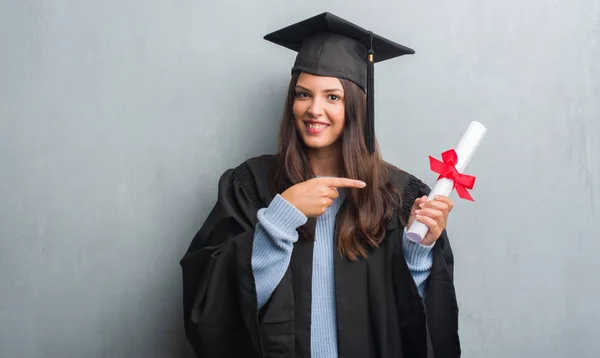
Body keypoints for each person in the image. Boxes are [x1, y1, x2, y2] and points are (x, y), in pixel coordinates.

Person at [180, 12, 460, 358]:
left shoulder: (396, 196)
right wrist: (279, 219)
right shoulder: (251, 186)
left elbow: (415, 325)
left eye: (332, 97)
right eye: (302, 94)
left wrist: (419, 249)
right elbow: (214, 311)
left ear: (357, 106)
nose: (314, 109)